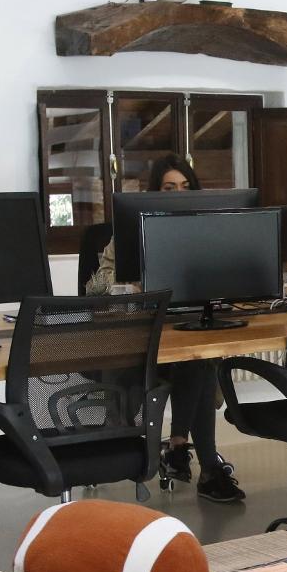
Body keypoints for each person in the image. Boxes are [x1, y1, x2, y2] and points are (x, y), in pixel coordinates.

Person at [86, 155, 244, 502]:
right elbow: (96, 287)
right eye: (169, 188)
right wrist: (133, 287)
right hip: (139, 340)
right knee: (199, 362)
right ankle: (202, 465)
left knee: (199, 358)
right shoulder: (130, 229)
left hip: (186, 330)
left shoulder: (208, 230)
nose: (179, 194)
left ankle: (181, 450)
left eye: (186, 187)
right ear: (155, 192)